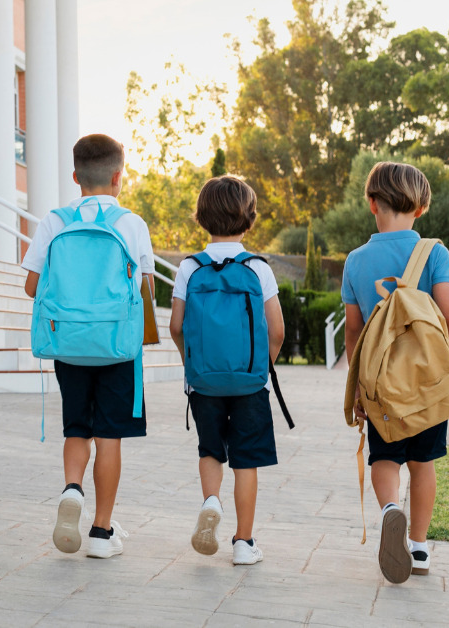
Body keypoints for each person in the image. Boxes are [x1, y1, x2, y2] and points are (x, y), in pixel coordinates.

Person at [21, 133, 154, 559]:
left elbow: (31, 286)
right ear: (119, 177)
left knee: (77, 426)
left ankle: (73, 487)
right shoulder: (132, 224)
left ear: (75, 176)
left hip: (69, 344)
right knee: (109, 436)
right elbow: (146, 293)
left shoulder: (54, 221)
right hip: (117, 346)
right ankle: (101, 531)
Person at [341, 161, 449, 583]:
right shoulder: (434, 252)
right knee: (423, 462)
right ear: (422, 207)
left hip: (380, 384)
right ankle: (419, 545)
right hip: (427, 383)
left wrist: (357, 389)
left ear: (372, 204)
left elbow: (353, 333)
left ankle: (391, 508)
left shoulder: (356, 260)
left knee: (385, 456)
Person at [169, 175, 285, 566]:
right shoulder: (257, 268)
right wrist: (261, 367)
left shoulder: (189, 267)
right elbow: (277, 329)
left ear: (201, 217)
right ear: (249, 219)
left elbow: (175, 325)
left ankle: (211, 500)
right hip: (250, 382)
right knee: (245, 460)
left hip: (204, 382)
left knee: (210, 450)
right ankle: (244, 542)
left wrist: (193, 365)